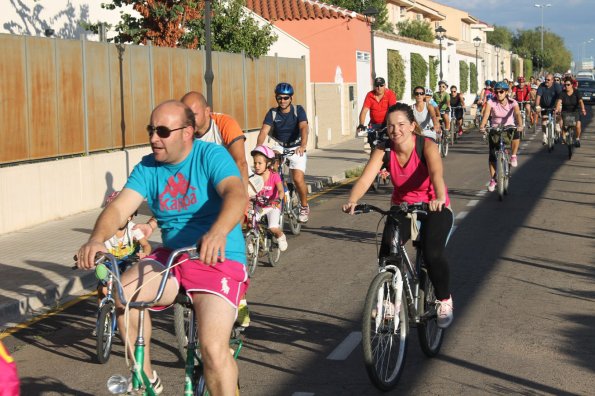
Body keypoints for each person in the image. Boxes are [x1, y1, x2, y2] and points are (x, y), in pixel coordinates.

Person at [76, 100, 248, 395]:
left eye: (163, 131)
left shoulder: (211, 155)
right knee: (123, 296)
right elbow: (118, 210)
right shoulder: (147, 167)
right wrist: (96, 239)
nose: (154, 138)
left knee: (212, 350)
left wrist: (218, 232)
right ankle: (145, 379)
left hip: (218, 257)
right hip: (173, 258)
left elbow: (236, 193)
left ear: (187, 132)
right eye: (151, 130)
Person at [342, 103, 454, 328]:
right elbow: (365, 178)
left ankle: (444, 300)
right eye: (391, 126)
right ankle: (391, 302)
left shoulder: (426, 146)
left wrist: (439, 198)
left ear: (412, 126)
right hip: (402, 207)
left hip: (433, 207)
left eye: (401, 124)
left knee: (432, 254)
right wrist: (352, 200)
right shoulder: (384, 150)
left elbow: (436, 175)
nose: (396, 130)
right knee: (388, 253)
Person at [257, 82, 310, 223]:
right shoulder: (273, 113)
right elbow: (264, 131)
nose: (282, 101)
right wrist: (258, 148)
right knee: (271, 166)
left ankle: (304, 206)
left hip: (297, 146)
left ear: (291, 98)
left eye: (286, 98)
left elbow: (304, 127)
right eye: (279, 98)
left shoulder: (298, 110)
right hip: (279, 145)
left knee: (298, 178)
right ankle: (279, 190)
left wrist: (303, 145)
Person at [479, 81, 523, 191]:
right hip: (495, 129)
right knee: (492, 156)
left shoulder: (513, 102)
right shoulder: (491, 101)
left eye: (501, 92)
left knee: (516, 133)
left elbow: (517, 113)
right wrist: (482, 126)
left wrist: (520, 125)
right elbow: (486, 114)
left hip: (509, 127)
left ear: (506, 92)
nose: (499, 94)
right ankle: (493, 179)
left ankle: (513, 155)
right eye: (496, 92)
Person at [250, 145, 287, 251]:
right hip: (259, 206)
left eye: (259, 163)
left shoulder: (274, 175)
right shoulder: (253, 177)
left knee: (272, 227)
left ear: (268, 163)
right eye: (255, 163)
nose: (256, 166)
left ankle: (281, 236)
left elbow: (281, 191)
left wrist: (278, 199)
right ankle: (251, 242)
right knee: (249, 222)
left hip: (272, 206)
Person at [555, 76, 587, 147]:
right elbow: (559, 102)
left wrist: (583, 109)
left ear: (572, 85)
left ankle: (577, 139)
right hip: (565, 111)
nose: (566, 86)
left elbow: (581, 102)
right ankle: (564, 136)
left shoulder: (577, 92)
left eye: (568, 85)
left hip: (575, 111)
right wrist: (557, 110)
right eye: (565, 85)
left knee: (578, 126)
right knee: (563, 124)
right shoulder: (562, 93)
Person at [535, 73, 562, 145]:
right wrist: (537, 106)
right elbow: (538, 97)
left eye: (548, 80)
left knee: (559, 114)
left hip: (555, 105)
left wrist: (558, 107)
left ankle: (557, 124)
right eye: (545, 79)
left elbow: (560, 97)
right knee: (544, 121)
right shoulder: (541, 86)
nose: (546, 81)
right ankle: (544, 135)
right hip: (544, 106)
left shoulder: (557, 86)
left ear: (552, 80)